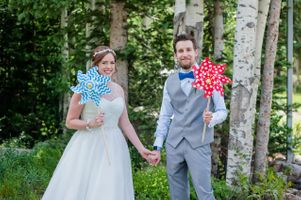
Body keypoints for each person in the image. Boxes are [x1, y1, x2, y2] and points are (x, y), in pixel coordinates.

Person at [42, 46, 151, 200]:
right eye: (104, 63)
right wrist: (90, 123)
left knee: (110, 188)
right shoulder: (85, 88)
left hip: (114, 145)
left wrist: (141, 149)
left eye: (112, 63)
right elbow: (70, 122)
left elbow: (125, 123)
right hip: (89, 144)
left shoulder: (119, 90)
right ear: (96, 65)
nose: (109, 67)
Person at [148, 34, 228, 200]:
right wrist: (157, 146)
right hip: (174, 144)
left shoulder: (211, 77)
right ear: (176, 55)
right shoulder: (169, 81)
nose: (185, 54)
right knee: (177, 194)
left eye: (188, 50)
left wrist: (212, 118)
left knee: (204, 193)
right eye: (180, 51)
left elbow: (222, 110)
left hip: (199, 143)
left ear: (196, 52)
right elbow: (165, 115)